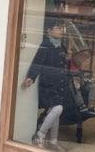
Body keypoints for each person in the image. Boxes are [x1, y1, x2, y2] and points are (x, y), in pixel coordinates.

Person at [23, 17, 69, 151]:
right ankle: (41, 134)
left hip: (59, 83)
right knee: (58, 108)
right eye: (58, 28)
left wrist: (68, 58)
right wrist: (31, 77)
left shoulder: (61, 45)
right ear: (49, 31)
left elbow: (62, 63)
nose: (61, 30)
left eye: (62, 28)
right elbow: (38, 62)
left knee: (57, 111)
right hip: (48, 85)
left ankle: (53, 141)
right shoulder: (46, 45)